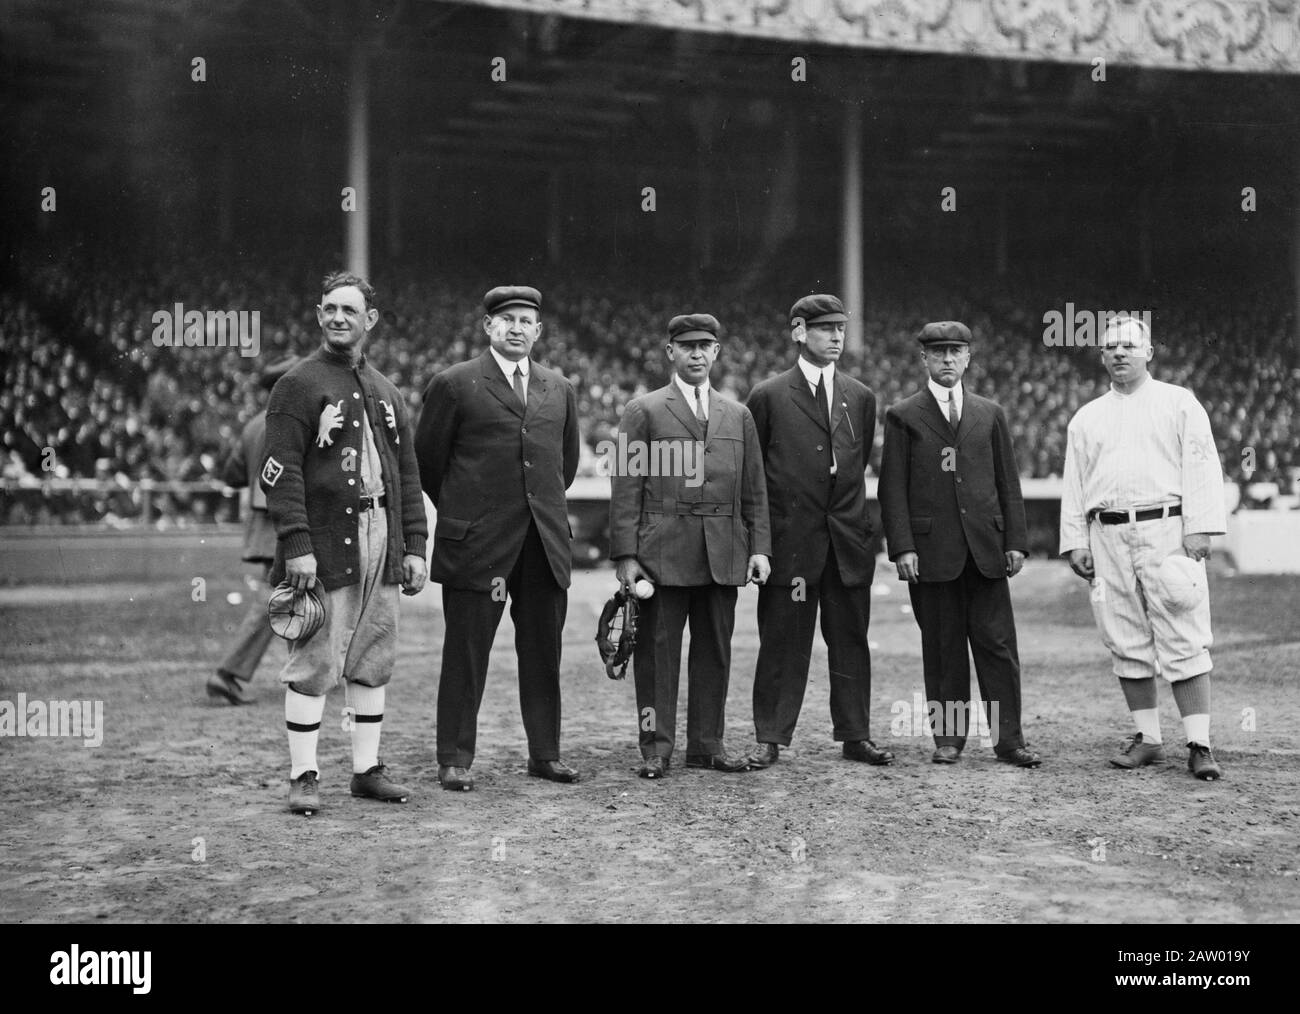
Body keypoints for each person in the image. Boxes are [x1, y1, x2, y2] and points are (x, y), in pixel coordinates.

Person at [261, 272, 428, 815]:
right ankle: (304, 775)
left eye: (349, 310)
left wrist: (414, 546)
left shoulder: (386, 390)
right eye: (329, 308)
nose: (338, 317)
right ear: (318, 313)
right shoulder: (298, 384)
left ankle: (365, 770)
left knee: (372, 654)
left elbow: (407, 472)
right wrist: (296, 542)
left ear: (370, 320)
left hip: (383, 531)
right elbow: (278, 471)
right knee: (315, 657)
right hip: (327, 534)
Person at [414, 286, 580, 791]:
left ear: (539, 330)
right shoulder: (455, 384)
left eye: (526, 320)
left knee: (542, 651)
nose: (516, 328)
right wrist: (473, 514)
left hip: (543, 543)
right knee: (466, 651)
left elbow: (564, 467)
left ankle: (545, 754)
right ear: (487, 326)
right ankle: (455, 757)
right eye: (505, 319)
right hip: (478, 544)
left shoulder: (559, 388)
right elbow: (429, 464)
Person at [1059, 316, 1226, 779]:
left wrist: (1201, 527)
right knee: (1124, 634)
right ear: (1101, 356)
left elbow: (1202, 465)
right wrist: (1075, 541)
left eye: (1129, 346)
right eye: (1110, 346)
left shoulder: (1179, 403)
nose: (1119, 353)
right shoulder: (1087, 416)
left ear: (1149, 352)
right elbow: (1075, 485)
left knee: (1183, 630)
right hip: (1107, 531)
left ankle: (1199, 743)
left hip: (1167, 528)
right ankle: (1149, 739)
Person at [609, 313, 771, 778]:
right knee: (657, 656)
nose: (697, 354)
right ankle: (656, 748)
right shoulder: (644, 410)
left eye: (706, 346)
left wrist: (759, 548)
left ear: (717, 352)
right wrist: (626, 555)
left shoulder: (737, 415)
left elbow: (754, 489)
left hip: (722, 552)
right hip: (663, 555)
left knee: (716, 651)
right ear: (671, 353)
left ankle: (707, 746)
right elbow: (626, 485)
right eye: (687, 346)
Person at [878, 321, 1041, 767]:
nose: (948, 359)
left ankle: (1009, 739)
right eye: (939, 352)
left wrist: (1016, 541)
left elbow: (1007, 482)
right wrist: (903, 547)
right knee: (943, 646)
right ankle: (948, 739)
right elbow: (892, 489)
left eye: (956, 351)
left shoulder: (990, 413)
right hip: (931, 553)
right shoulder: (903, 414)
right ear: (924, 359)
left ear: (968, 358)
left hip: (986, 550)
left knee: (998, 647)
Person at [742, 294, 892, 770]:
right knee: (783, 642)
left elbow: (856, 463)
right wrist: (761, 543)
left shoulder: (860, 396)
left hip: (846, 542)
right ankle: (770, 736)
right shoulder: (768, 395)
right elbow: (755, 477)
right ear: (799, 332)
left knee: (851, 640)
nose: (835, 338)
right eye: (825, 328)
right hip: (792, 544)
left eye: (840, 329)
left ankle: (855, 735)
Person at [207, 356, 298, 705]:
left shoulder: (252, 426)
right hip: (286, 522)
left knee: (291, 596)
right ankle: (227, 672)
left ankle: (304, 672)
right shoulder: (290, 423)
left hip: (261, 525)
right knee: (273, 601)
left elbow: (231, 475)